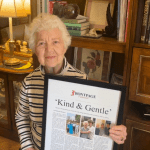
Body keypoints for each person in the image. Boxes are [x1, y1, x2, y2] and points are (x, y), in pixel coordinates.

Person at [15, 13, 127, 150]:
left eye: (55, 42)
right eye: (41, 43)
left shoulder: (81, 80)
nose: (49, 49)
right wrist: (27, 147)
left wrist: (114, 133)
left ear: (65, 46)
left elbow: (87, 125)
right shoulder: (29, 82)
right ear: (35, 49)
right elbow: (21, 118)